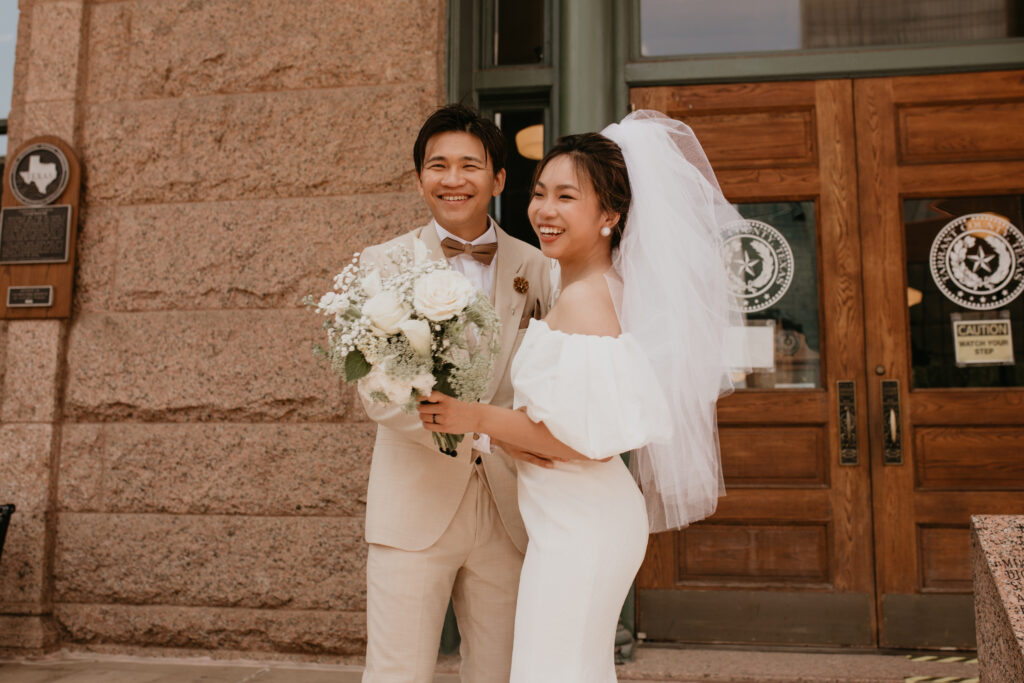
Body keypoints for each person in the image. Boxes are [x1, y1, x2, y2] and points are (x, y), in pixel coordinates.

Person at [418, 111, 742, 682]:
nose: (545, 210)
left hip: (582, 524)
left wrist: (469, 416)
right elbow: (571, 427)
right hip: (573, 516)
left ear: (610, 215)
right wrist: (510, 433)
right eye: (539, 193)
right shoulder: (597, 289)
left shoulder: (586, 300)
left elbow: (577, 443)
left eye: (567, 197)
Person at [359, 104, 554, 683]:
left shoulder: (539, 268)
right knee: (397, 672)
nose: (452, 179)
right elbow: (377, 393)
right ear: (419, 177)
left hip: (509, 507)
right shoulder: (383, 263)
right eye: (437, 165)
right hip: (413, 504)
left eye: (469, 165)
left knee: (499, 672)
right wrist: (478, 426)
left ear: (497, 179)